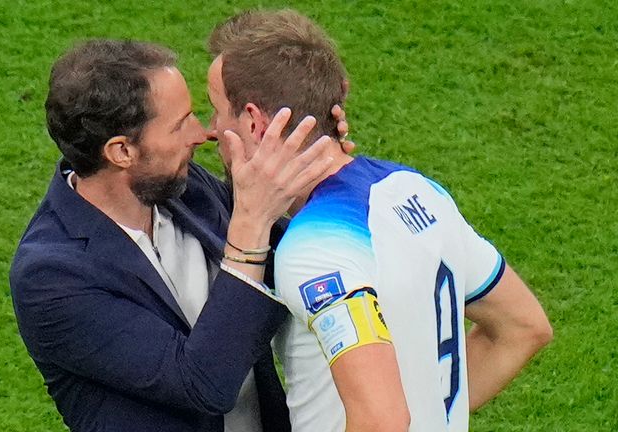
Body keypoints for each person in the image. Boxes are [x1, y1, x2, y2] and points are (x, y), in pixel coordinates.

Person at [206, 9, 554, 432]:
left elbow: (383, 420)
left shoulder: (315, 251)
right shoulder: (414, 189)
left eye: (217, 111)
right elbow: (521, 327)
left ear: (255, 122)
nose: (211, 130)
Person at [9, 39, 336, 432]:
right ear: (121, 152)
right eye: (181, 124)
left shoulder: (179, 186)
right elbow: (203, 383)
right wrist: (249, 225)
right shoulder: (51, 277)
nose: (202, 134)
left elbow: (288, 254)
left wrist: (317, 176)